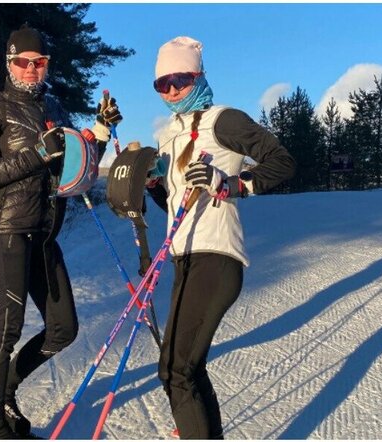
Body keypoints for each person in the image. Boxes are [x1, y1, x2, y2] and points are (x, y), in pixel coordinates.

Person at [0, 24, 122, 439]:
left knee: (63, 328)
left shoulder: (54, 107)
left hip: (44, 236)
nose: (32, 69)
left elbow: (79, 168)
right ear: (10, 63)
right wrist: (37, 154)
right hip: (5, 232)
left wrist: (101, 133)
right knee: (5, 328)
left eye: (40, 62)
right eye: (23, 62)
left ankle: (5, 387)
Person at [144, 36, 296, 439]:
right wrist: (154, 186)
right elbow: (179, 210)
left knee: (176, 371)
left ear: (199, 76)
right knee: (182, 369)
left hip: (216, 257)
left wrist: (232, 184)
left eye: (180, 79)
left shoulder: (223, 120)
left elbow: (282, 162)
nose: (172, 90)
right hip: (185, 259)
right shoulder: (168, 135)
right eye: (162, 84)